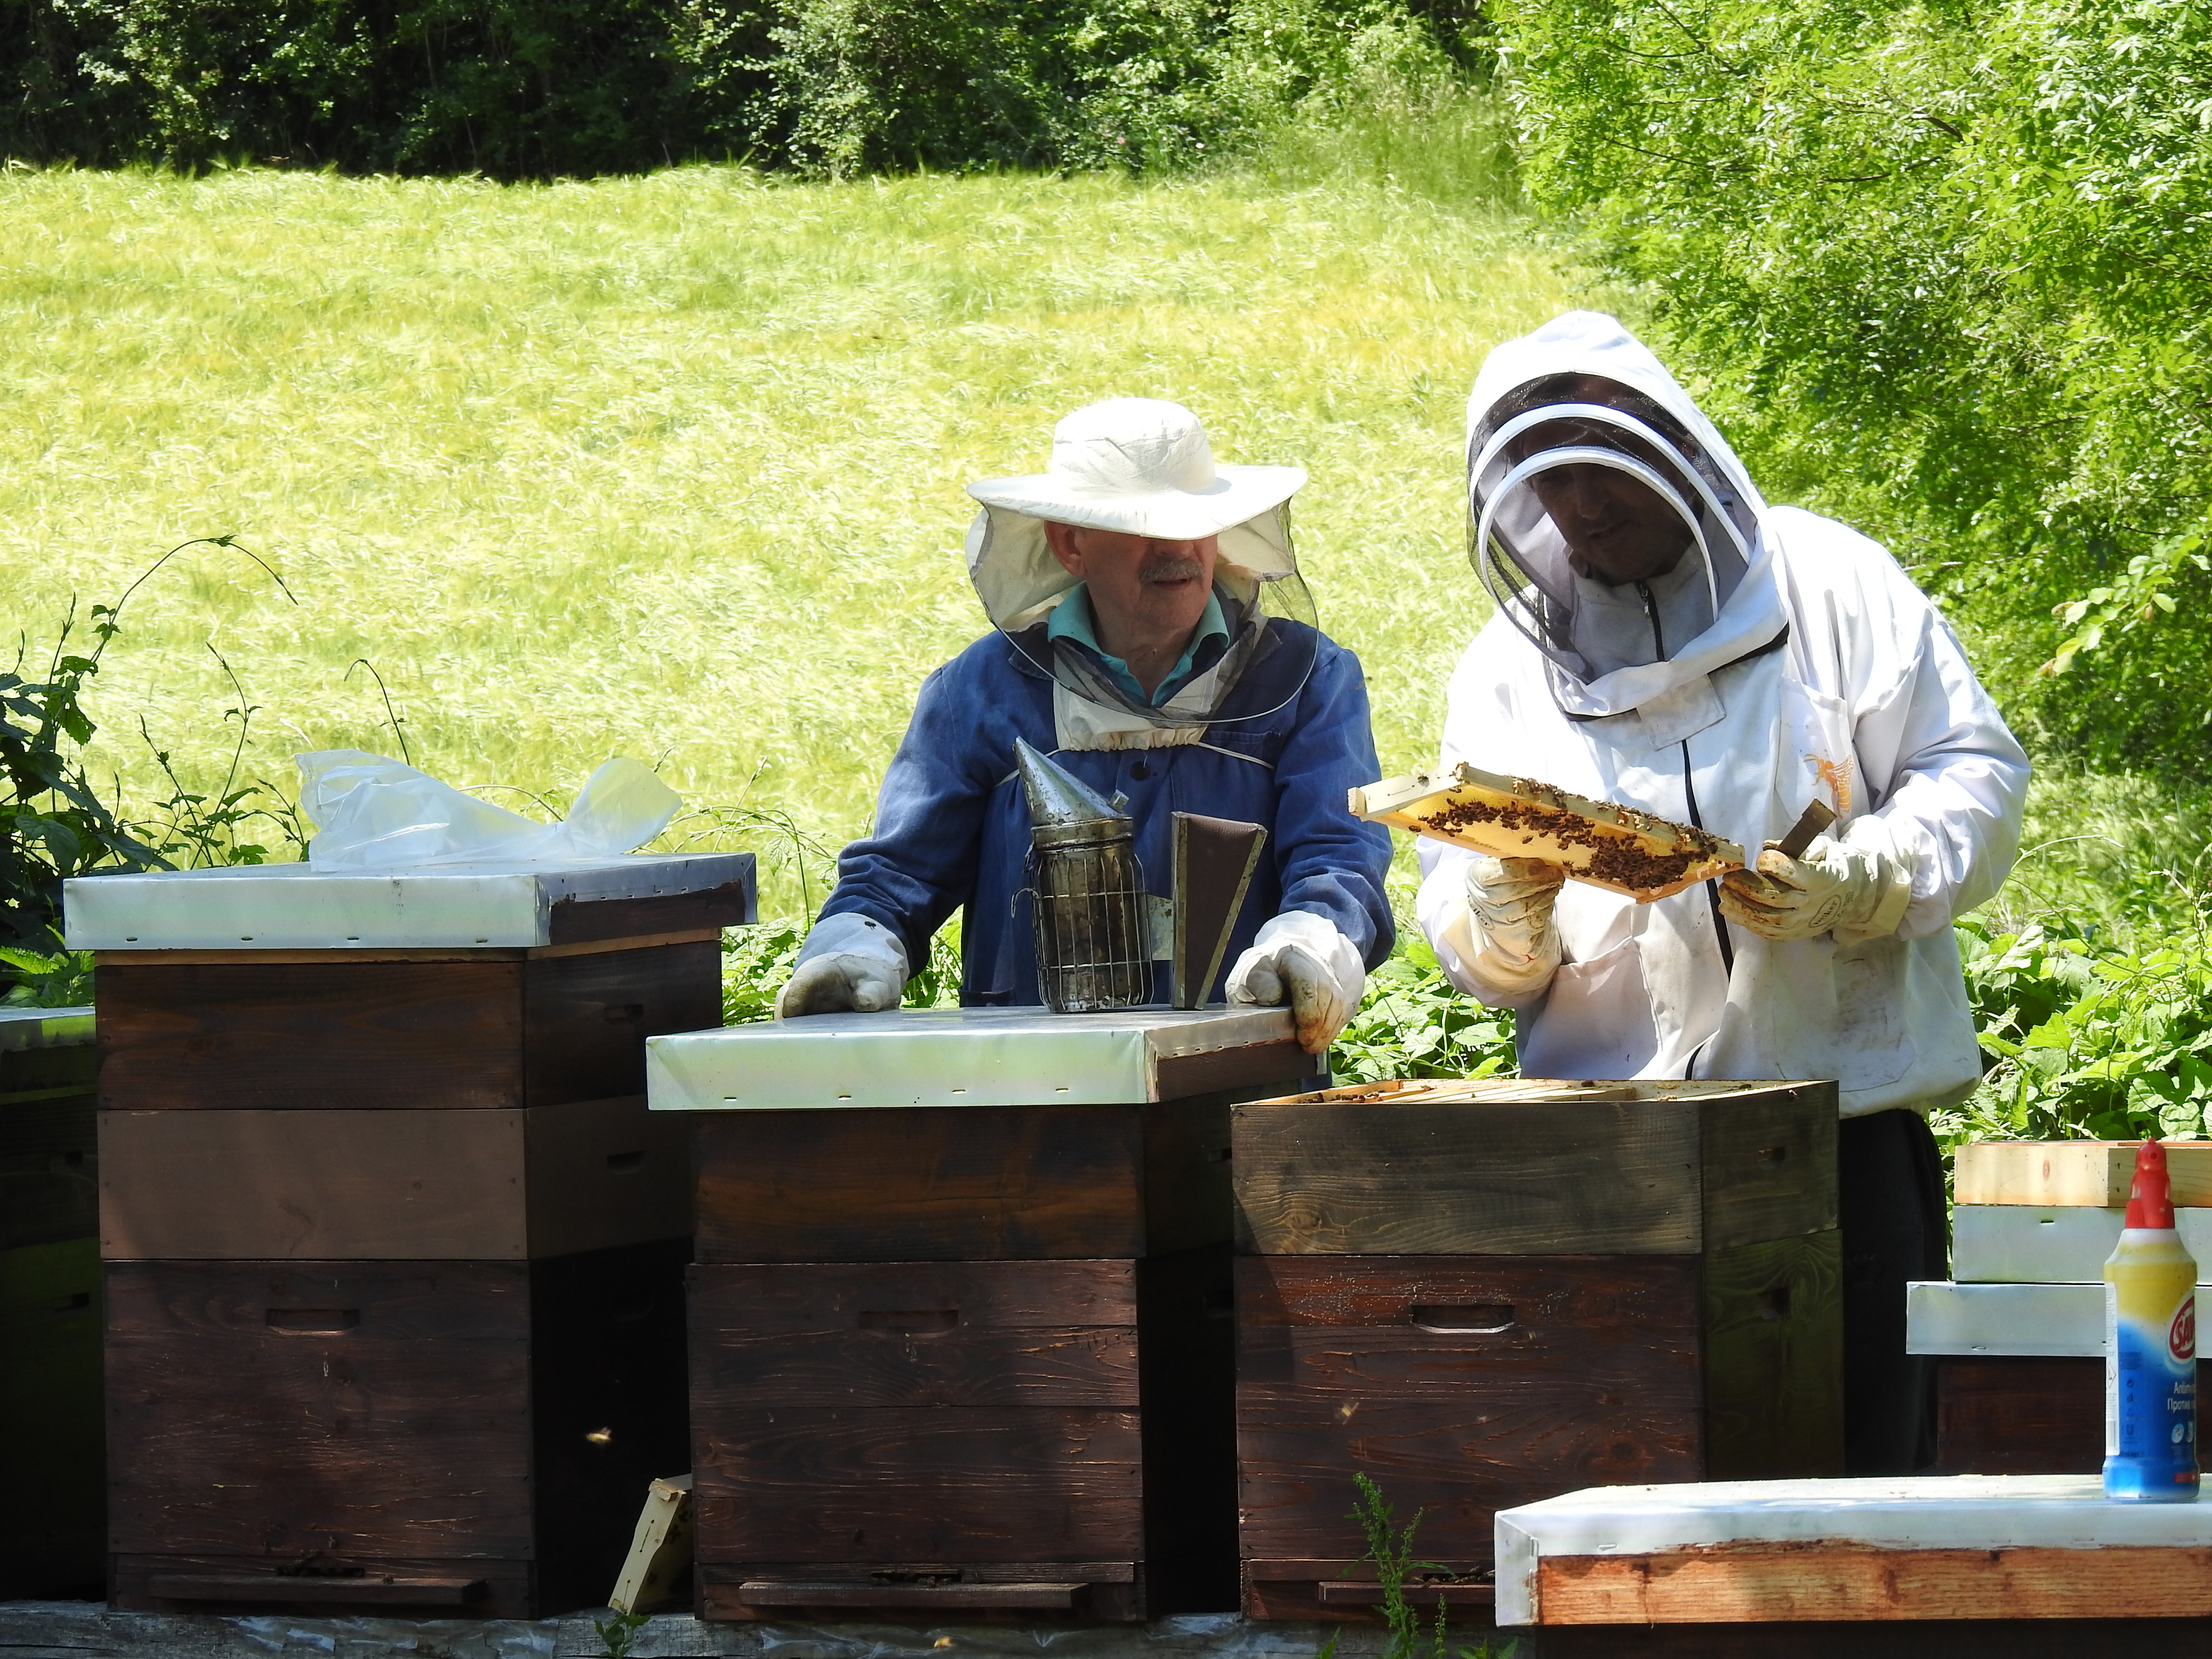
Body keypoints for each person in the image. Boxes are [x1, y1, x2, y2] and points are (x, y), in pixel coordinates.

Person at [1419, 312, 2029, 1473]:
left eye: (1605, 469)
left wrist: (1871, 874)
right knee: (1637, 1499)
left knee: (1866, 1495)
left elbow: (1975, 773)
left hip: (1842, 1135)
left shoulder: (1835, 582)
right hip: (1611, 1156)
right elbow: (1464, 919)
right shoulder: (1504, 669)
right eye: (1550, 483)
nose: (1583, 509)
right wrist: (1502, 913)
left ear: (1678, 447)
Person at [776, 397, 1395, 1054]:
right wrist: (855, 947)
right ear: (1071, 543)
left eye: (1197, 524)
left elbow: (1339, 853)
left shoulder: (1306, 676)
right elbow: (902, 870)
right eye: (1144, 526)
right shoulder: (980, 688)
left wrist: (1312, 939)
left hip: (1243, 1072)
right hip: (1031, 1078)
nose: (1178, 549)